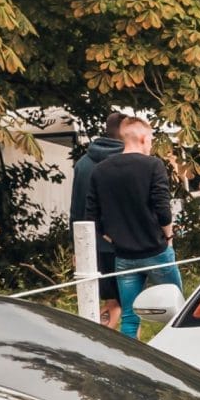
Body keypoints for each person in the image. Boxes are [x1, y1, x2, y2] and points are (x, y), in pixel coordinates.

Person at [85, 116, 180, 338]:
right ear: (144, 138)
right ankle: (179, 351)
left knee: (129, 316)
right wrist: (168, 237)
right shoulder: (153, 165)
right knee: (178, 311)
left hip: (124, 255)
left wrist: (111, 237)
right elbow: (163, 210)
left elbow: (91, 216)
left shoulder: (100, 170)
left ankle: (130, 356)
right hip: (156, 250)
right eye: (151, 140)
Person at [70, 111, 126, 329]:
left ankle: (92, 334)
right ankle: (101, 339)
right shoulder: (127, 161)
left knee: (111, 301)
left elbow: (76, 208)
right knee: (128, 303)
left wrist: (75, 247)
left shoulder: (83, 163)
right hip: (123, 242)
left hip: (91, 243)